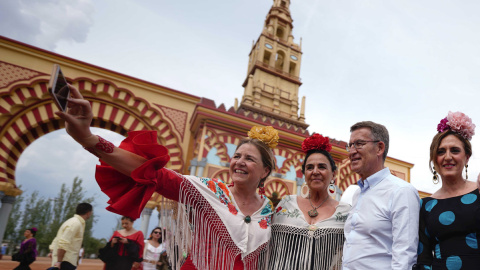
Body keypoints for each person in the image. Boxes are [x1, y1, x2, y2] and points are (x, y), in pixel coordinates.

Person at [55, 85, 277, 270]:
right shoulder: (211, 191)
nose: (239, 161)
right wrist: (88, 138)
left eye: (249, 158)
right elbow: (154, 174)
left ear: (265, 171)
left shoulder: (274, 212)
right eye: (236, 156)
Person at [342, 121, 420, 269]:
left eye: (359, 144)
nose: (351, 152)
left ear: (379, 148)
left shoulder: (401, 192)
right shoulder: (357, 194)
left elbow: (405, 257)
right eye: (350, 145)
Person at [266, 133, 350, 269]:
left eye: (322, 167)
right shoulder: (287, 204)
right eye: (310, 167)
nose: (315, 171)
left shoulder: (346, 212)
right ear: (304, 174)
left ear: (333, 174)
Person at [415, 111, 479, 269]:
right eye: (441, 151)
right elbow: (423, 258)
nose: (447, 157)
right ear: (434, 159)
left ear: (467, 157)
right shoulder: (425, 205)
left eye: (455, 150)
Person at [49, 203, 93, 270]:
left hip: (67, 261)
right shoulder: (75, 223)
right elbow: (63, 242)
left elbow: (57, 239)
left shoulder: (74, 222)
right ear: (88, 213)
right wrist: (59, 261)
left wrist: (52, 252)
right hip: (65, 262)